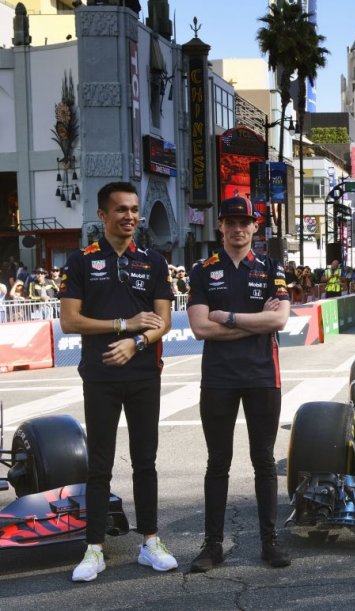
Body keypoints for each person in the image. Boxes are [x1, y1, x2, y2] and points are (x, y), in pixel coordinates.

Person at [59, 181, 177, 582]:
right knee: (100, 465)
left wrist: (137, 342)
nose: (129, 216)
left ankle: (151, 542)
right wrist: (123, 325)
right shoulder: (81, 261)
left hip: (144, 374)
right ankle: (94, 548)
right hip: (100, 376)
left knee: (146, 461)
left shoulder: (153, 262)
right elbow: (70, 321)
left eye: (134, 209)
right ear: (102, 215)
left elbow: (163, 321)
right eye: (121, 209)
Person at [186, 197, 291, 573]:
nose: (237, 228)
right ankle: (212, 545)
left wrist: (227, 317)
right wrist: (254, 322)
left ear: (255, 227)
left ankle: (270, 542)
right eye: (230, 221)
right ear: (220, 226)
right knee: (218, 462)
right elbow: (200, 328)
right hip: (218, 378)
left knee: (264, 460)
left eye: (244, 222)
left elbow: (279, 321)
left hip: (263, 375)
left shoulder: (271, 267)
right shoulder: (202, 271)